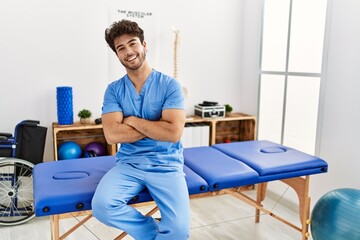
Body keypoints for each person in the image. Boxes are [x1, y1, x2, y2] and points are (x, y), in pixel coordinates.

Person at [91, 19, 190, 240]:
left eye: (132, 43)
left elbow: (173, 133)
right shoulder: (114, 90)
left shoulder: (169, 86)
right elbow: (112, 135)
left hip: (166, 164)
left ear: (144, 44)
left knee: (180, 230)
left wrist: (132, 120)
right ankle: (154, 233)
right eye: (121, 48)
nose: (128, 51)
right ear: (117, 55)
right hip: (129, 164)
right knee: (102, 206)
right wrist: (158, 125)